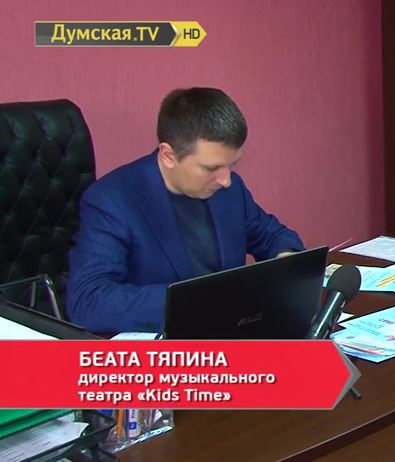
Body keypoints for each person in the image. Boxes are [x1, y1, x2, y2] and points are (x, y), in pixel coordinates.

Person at [67, 87, 304, 333]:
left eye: (232, 165)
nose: (226, 180)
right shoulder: (111, 200)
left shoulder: (230, 189)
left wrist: (285, 261)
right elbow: (88, 301)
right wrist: (199, 300)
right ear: (168, 155)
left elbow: (273, 236)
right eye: (211, 168)